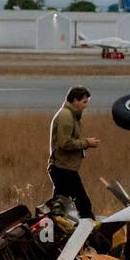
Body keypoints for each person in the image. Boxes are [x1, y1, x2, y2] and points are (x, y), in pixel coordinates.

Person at [48, 85, 100, 219]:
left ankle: (55, 230)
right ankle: (91, 231)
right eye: (84, 102)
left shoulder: (71, 115)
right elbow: (64, 143)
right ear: (75, 100)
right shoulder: (66, 116)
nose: (86, 105)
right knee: (83, 204)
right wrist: (86, 143)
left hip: (64, 167)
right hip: (63, 168)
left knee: (59, 206)